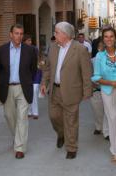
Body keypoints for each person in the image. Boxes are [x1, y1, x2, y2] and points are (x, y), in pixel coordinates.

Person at [40, 22, 93, 159]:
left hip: (71, 91)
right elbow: (47, 69)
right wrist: (44, 83)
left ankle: (71, 147)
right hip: (55, 91)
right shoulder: (53, 48)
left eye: (57, 32)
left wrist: (87, 91)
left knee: (71, 121)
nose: (54, 35)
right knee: (54, 117)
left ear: (65, 35)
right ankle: (61, 133)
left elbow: (87, 72)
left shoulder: (80, 49)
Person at [0, 25, 37, 159]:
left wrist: (26, 81)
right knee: (9, 115)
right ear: (10, 34)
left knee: (22, 117)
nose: (19, 36)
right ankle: (17, 136)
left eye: (21, 34)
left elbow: (33, 69)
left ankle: (19, 147)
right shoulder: (1, 50)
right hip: (7, 87)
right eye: (16, 33)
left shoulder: (30, 50)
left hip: (23, 87)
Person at [91, 27, 116, 164]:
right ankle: (115, 151)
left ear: (115, 38)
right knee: (112, 119)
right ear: (103, 39)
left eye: (111, 36)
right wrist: (111, 83)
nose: (109, 39)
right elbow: (96, 77)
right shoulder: (99, 57)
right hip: (107, 90)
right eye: (106, 37)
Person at [90, 41, 109, 140]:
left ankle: (107, 132)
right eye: (100, 46)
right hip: (95, 89)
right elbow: (88, 74)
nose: (102, 48)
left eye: (104, 46)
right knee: (97, 110)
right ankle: (98, 126)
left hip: (108, 89)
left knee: (108, 111)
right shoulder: (92, 61)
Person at [23, 34, 41, 120]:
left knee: (34, 91)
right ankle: (29, 111)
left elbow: (37, 60)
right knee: (28, 92)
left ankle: (35, 112)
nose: (30, 42)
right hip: (27, 74)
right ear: (24, 42)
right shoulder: (21, 50)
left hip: (35, 73)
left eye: (30, 40)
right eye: (28, 40)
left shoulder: (34, 49)